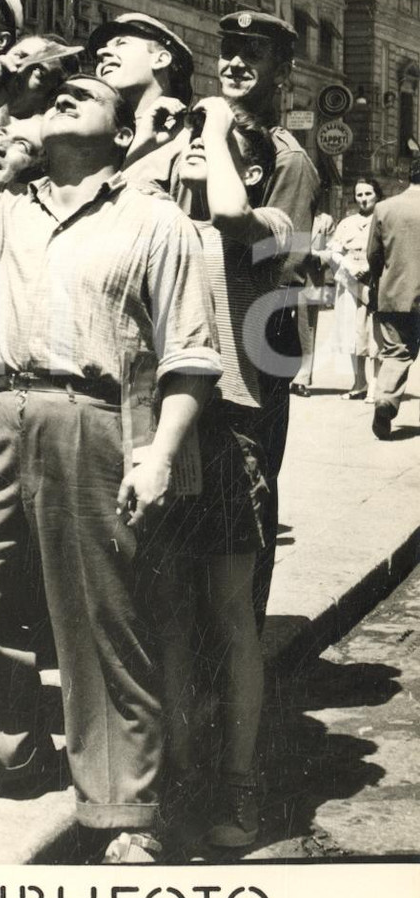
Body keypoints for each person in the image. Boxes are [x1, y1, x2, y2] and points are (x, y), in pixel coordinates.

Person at [0, 0, 221, 864]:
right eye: (59, 89)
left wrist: (158, 455)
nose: (69, 92)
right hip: (5, 414)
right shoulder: (8, 208)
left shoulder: (155, 221)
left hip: (96, 419)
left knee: (99, 623)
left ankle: (123, 809)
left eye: (87, 91)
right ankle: (17, 750)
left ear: (123, 129)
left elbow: (190, 358)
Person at [159, 99, 291, 851]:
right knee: (173, 616)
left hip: (229, 425)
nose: (193, 158)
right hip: (168, 424)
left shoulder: (267, 220)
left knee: (231, 611)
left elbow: (233, 210)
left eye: (208, 152)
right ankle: (181, 774)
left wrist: (212, 124)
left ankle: (240, 781)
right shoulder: (164, 217)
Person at [209, 12, 320, 627]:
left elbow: (278, 263)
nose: (235, 63)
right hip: (219, 323)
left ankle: (245, 623)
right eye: (229, 49)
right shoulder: (210, 135)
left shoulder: (288, 159)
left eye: (253, 53)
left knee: (252, 479)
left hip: (261, 329)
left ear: (282, 70)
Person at [87, 11, 194, 186]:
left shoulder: (189, 140)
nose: (101, 52)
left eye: (121, 43)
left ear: (160, 59)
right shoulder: (95, 140)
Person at [368, 156, 420, 439]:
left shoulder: (384, 208)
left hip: (395, 293)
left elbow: (372, 255)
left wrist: (382, 279)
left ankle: (385, 399)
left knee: (396, 353)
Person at [330, 178, 383, 400]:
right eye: (359, 194)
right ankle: (359, 382)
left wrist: (368, 266)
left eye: (368, 194)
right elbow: (334, 251)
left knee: (375, 335)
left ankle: (376, 386)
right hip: (350, 283)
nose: (363, 199)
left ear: (377, 195)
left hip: (375, 282)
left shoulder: (383, 219)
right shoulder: (346, 223)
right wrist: (351, 267)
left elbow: (388, 250)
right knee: (354, 333)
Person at [290, 210, 335, 397]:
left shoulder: (325, 221)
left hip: (310, 279)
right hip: (286, 276)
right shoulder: (290, 211)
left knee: (306, 329)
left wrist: (316, 254)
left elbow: (333, 250)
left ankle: (301, 378)